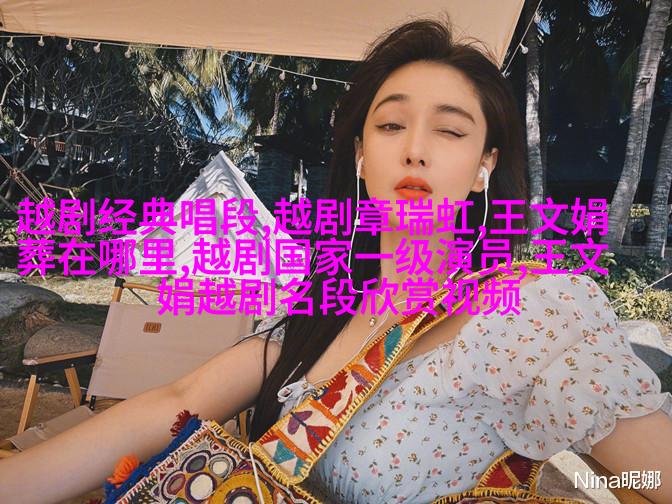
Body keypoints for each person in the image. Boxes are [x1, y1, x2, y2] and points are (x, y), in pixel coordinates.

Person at [1, 16, 672, 504]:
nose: (415, 149)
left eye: (449, 130)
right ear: (360, 156)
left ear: (483, 167)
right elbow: (176, 403)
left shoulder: (530, 312)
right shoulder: (324, 310)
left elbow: (650, 478)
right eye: (391, 124)